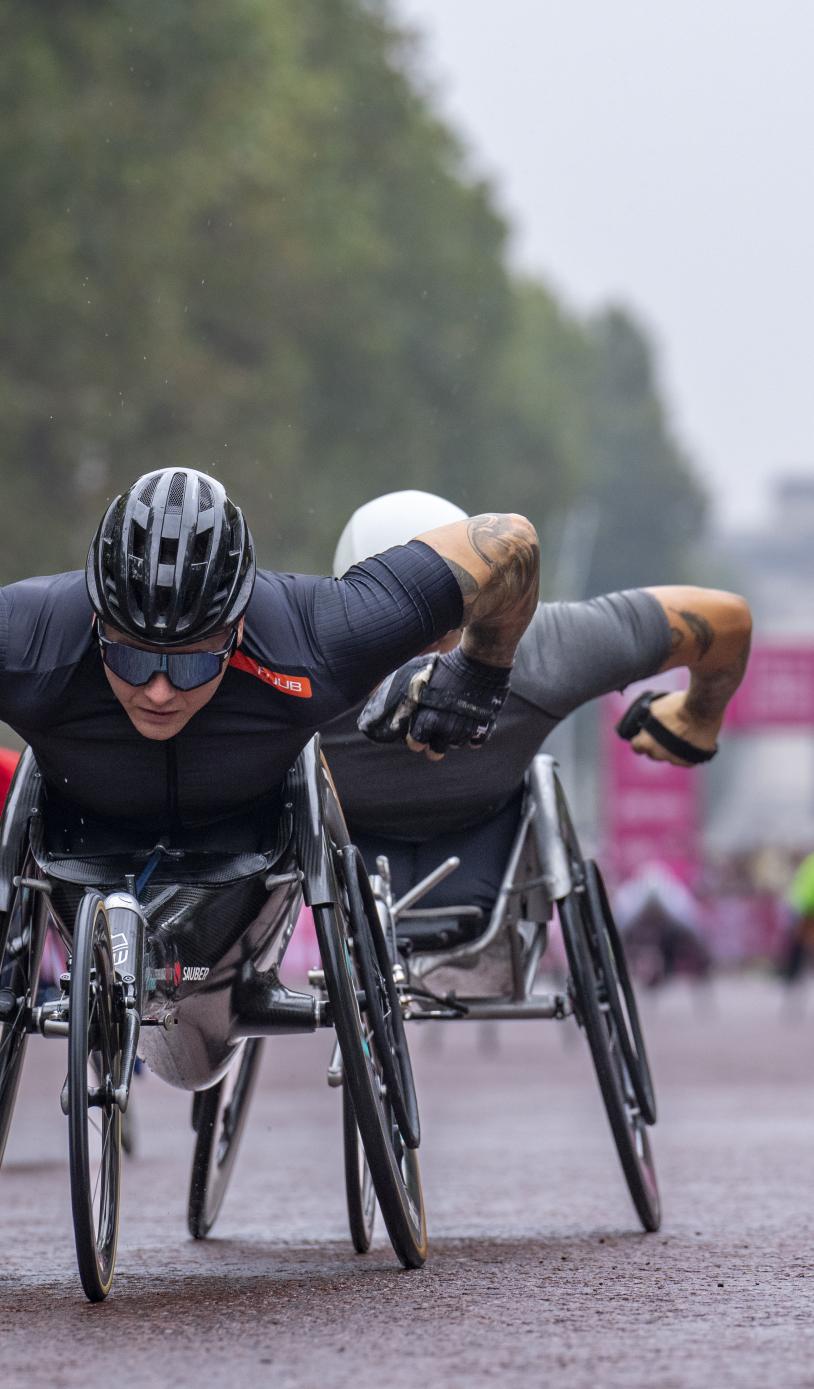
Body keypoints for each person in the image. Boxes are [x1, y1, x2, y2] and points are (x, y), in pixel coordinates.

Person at [0, 469, 540, 861]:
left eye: (191, 664)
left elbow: (512, 543)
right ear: (96, 622)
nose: (159, 692)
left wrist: (481, 667)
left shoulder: (316, 634)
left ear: (237, 629)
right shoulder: (29, 636)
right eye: (130, 657)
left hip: (253, 834)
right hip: (74, 828)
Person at [322, 490, 753, 917]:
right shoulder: (544, 649)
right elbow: (726, 622)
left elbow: (728, 620)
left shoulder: (302, 651)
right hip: (455, 836)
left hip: (365, 840)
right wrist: (697, 719)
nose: (425, 640)